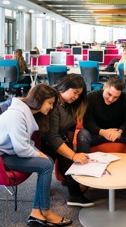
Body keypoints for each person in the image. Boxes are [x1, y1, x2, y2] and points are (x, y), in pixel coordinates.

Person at [0, 84, 72, 227]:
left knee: (46, 161)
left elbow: (24, 142)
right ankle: (45, 212)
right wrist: (38, 154)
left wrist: (39, 153)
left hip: (8, 152)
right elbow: (21, 149)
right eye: (50, 103)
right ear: (39, 99)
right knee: (46, 164)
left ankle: (36, 214)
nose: (51, 107)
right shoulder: (17, 115)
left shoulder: (25, 113)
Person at [41, 74, 94, 207]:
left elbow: (71, 125)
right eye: (75, 92)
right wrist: (72, 154)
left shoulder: (69, 104)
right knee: (63, 157)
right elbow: (52, 137)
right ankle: (43, 194)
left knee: (71, 160)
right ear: (65, 86)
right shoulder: (53, 103)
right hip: (46, 140)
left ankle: (75, 194)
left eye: (78, 95)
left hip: (61, 136)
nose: (76, 97)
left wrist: (72, 146)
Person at [76, 76, 126, 156]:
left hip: (118, 133)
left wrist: (120, 131)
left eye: (115, 97)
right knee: (83, 134)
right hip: (98, 133)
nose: (110, 99)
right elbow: (88, 122)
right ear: (104, 87)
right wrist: (102, 132)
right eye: (109, 94)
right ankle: (84, 166)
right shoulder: (91, 97)